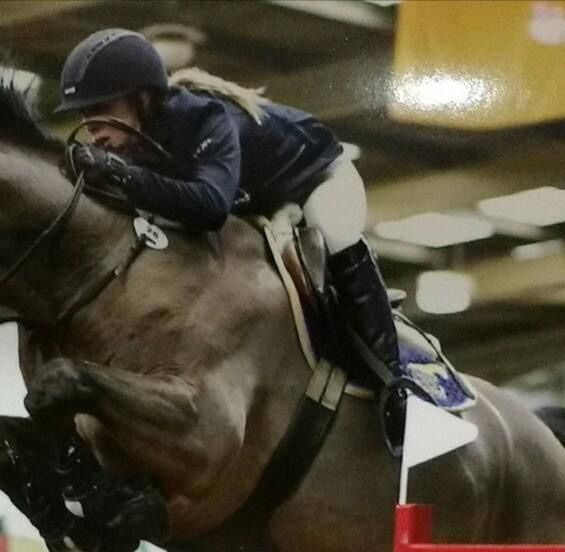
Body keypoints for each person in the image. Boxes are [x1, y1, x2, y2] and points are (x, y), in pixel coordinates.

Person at [57, 28, 419, 451]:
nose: (92, 128)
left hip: (316, 180)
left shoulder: (205, 119)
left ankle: (395, 386)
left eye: (101, 108)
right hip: (253, 201)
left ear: (141, 97)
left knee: (335, 232)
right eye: (84, 115)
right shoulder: (134, 141)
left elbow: (210, 206)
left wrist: (121, 176)